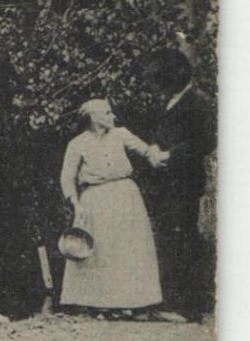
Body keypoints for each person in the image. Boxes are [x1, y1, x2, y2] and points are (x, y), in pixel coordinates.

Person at [58, 98, 168, 317]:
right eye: (107, 113)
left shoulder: (121, 134)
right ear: (93, 117)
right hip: (95, 198)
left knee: (129, 249)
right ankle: (101, 305)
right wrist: (76, 204)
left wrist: (157, 155)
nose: (112, 117)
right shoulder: (78, 143)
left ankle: (135, 304)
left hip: (125, 196)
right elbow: (67, 177)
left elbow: (146, 150)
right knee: (101, 251)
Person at [144, 48, 215, 321]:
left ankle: (190, 307)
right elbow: (159, 132)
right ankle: (173, 302)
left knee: (184, 238)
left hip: (184, 182)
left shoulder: (198, 102)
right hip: (166, 181)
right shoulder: (171, 101)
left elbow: (205, 142)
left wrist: (170, 155)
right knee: (170, 238)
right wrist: (152, 148)